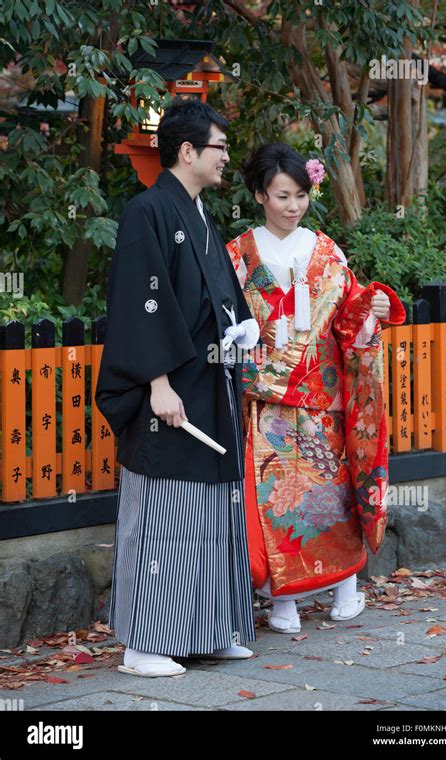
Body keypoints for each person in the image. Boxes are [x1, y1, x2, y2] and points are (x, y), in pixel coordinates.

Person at [95, 100, 260, 675]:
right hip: (170, 393)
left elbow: (215, 293)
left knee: (211, 513)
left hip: (209, 387)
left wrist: (240, 325)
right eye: (219, 147)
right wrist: (157, 382)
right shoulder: (148, 210)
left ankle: (208, 629)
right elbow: (141, 303)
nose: (225, 157)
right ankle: (144, 644)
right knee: (168, 514)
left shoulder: (197, 213)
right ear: (187, 151)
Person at [226, 143, 406, 634]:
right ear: (261, 194)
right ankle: (283, 601)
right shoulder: (237, 255)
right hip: (266, 400)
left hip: (323, 397)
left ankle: (347, 589)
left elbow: (350, 318)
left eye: (301, 196)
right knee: (275, 501)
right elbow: (222, 320)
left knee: (333, 496)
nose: (293, 206)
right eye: (282, 196)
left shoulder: (327, 251)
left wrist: (373, 315)